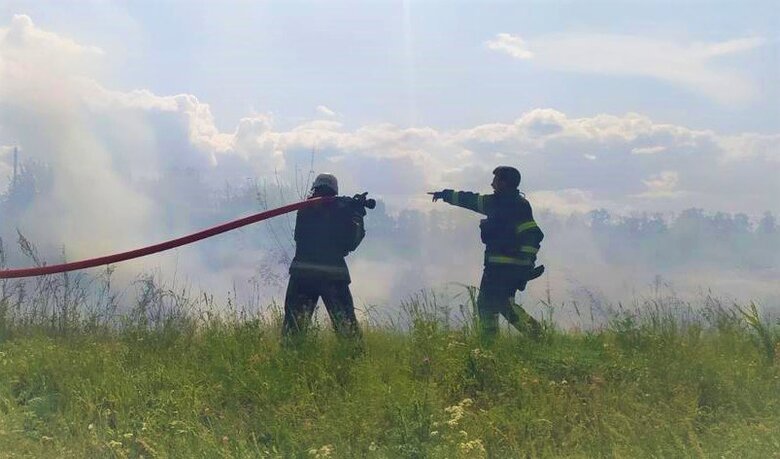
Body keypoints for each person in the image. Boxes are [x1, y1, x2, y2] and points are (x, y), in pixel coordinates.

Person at [430, 166, 544, 341]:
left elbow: (532, 234)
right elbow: (470, 200)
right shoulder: (511, 203)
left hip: (504, 269)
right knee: (487, 304)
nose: (492, 184)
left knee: (503, 304)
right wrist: (446, 194)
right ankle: (491, 343)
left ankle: (538, 336)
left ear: (504, 183)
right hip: (496, 268)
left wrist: (524, 264)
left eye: (496, 180)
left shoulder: (504, 204)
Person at [282, 173, 366, 342]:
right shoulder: (343, 211)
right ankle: (353, 361)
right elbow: (350, 243)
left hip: (302, 275)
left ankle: (288, 361)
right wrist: (357, 216)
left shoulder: (304, 209)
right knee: (347, 330)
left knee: (293, 330)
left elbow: (299, 237)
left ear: (315, 188)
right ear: (334, 191)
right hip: (333, 275)